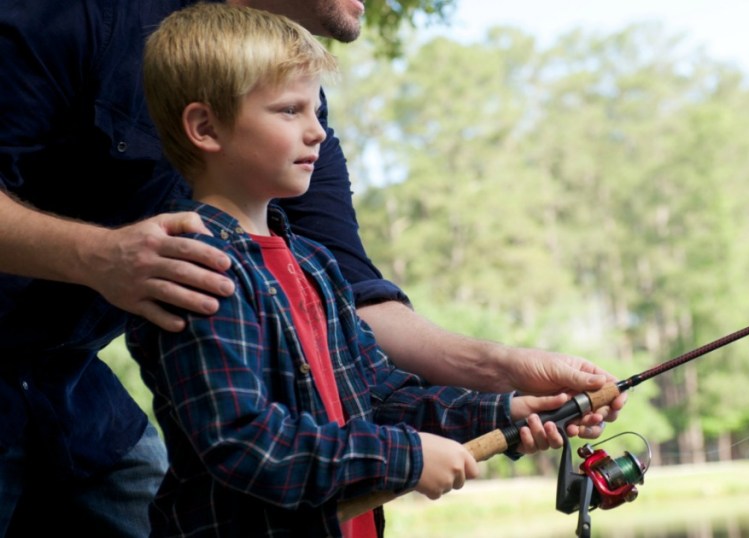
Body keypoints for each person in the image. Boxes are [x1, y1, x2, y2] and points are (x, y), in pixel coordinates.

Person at [0, 0, 625, 535]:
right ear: (205, 127)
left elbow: (376, 392)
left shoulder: (315, 264)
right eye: (290, 112)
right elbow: (244, 440)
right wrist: (405, 458)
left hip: (72, 393)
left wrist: (506, 405)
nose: (318, 132)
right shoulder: (199, 270)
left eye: (315, 109)